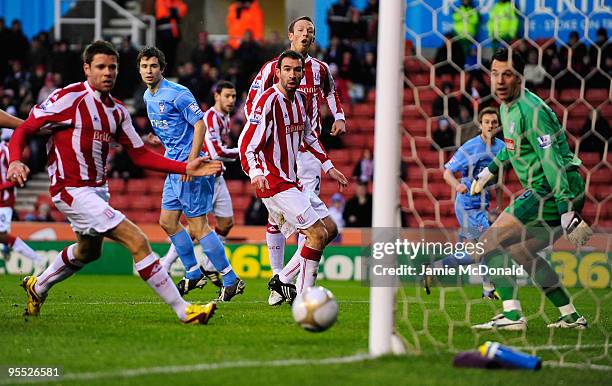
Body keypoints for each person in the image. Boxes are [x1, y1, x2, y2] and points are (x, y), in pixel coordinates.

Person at [8, 40, 222, 324]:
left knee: (88, 251)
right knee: (138, 240)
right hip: (71, 189)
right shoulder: (68, 98)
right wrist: (14, 159)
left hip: (98, 190)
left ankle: (39, 286)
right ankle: (185, 311)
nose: (107, 72)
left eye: (112, 67)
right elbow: (25, 128)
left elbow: (141, 155)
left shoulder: (118, 111)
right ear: (87, 69)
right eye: (100, 67)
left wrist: (185, 167)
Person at [468, 48, 591, 330]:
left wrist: (565, 209)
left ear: (520, 78)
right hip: (552, 190)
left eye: (507, 74)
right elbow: (513, 148)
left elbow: (552, 162)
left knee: (488, 243)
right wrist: (489, 171)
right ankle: (571, 316)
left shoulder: (532, 111)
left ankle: (512, 316)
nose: (499, 80)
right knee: (521, 251)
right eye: (494, 73)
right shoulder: (505, 108)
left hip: (552, 189)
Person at [244, 16, 346, 305]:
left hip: (307, 153)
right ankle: (284, 281)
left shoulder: (319, 71)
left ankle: (287, 281)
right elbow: (252, 104)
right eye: (301, 30)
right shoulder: (269, 72)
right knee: (279, 220)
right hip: (278, 156)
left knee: (318, 227)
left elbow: (332, 94)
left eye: (310, 32)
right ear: (290, 35)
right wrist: (261, 146)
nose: (306, 34)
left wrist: (338, 117)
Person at [138, 46, 244, 302]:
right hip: (172, 166)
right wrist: (157, 139)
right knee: (167, 221)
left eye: (153, 66)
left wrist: (192, 160)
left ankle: (231, 280)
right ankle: (193, 272)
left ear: (162, 68)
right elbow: (172, 130)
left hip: (190, 166)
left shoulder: (178, 93)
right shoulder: (147, 96)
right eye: (144, 66)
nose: (148, 71)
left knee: (199, 225)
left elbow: (200, 124)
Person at [161, 81, 239, 287]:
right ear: (217, 96)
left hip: (218, 177)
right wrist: (247, 150)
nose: (231, 100)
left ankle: (206, 266)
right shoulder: (210, 117)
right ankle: (167, 263)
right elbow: (217, 153)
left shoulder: (225, 118)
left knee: (226, 223)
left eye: (234, 96)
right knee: (196, 226)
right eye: (227, 96)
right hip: (204, 175)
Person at [425, 107, 505, 299]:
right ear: (480, 124)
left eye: (494, 122)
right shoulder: (470, 147)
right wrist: (457, 186)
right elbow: (447, 173)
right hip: (467, 204)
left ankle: (436, 268)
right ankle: (487, 288)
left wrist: (499, 204)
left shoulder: (502, 147)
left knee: (478, 251)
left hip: (483, 205)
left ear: (498, 125)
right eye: (487, 122)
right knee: (485, 247)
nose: (490, 125)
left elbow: (499, 176)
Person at [0, 126, 44, 263]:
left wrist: (3, 186)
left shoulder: (7, 150)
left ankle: (38, 260)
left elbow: (15, 175)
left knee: (1, 235)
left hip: (4, 199)